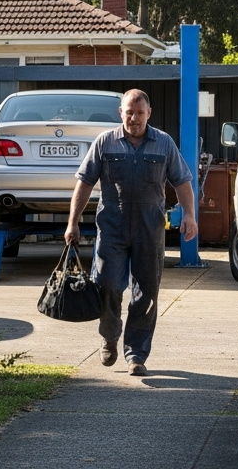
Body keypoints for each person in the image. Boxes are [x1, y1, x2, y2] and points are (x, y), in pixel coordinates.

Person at [65, 89, 197, 377]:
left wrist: (189, 215)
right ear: (120, 113)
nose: (134, 118)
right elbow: (85, 183)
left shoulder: (163, 144)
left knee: (146, 294)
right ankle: (110, 336)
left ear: (149, 113)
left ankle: (136, 354)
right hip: (112, 228)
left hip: (149, 230)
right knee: (108, 285)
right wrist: (72, 222)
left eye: (139, 113)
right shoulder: (105, 143)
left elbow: (182, 181)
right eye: (129, 112)